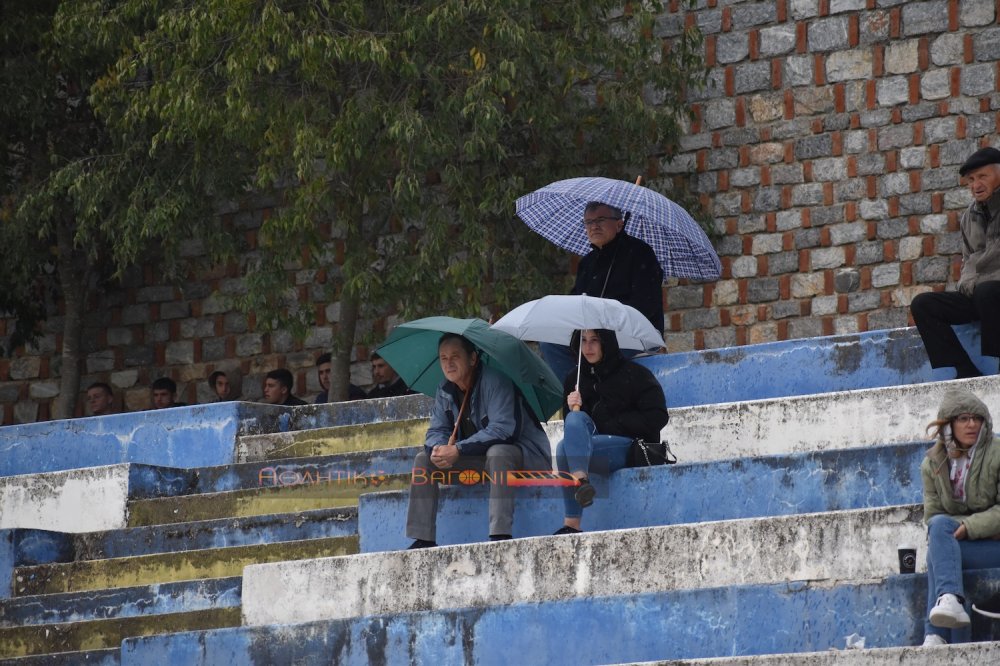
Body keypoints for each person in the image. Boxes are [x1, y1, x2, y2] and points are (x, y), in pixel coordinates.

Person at [405, 333, 552, 548]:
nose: (449, 363)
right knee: (423, 460)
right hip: (480, 462)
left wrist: (458, 449)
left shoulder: (496, 382)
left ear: (473, 358)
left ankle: (499, 536)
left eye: (455, 356)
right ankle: (423, 538)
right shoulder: (444, 390)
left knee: (498, 452)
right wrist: (437, 448)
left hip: (526, 457)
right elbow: (436, 430)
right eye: (443, 358)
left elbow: (503, 431)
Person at [552, 329, 669, 535]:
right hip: (594, 447)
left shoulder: (635, 374)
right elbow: (574, 432)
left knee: (565, 450)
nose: (588, 347)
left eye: (594, 341)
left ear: (606, 343)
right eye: (583, 341)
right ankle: (573, 518)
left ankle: (578, 488)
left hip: (630, 446)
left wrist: (614, 423)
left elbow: (658, 416)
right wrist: (571, 408)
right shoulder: (575, 379)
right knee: (567, 437)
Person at [540, 202, 664, 381]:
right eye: (588, 222)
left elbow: (646, 305)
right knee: (551, 344)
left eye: (601, 220)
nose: (594, 226)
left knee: (601, 347)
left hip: (634, 334)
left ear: (619, 224)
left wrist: (608, 318)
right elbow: (576, 305)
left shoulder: (640, 253)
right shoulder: (587, 263)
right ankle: (578, 392)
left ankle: (600, 392)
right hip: (593, 335)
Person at [919, 388, 1000, 646]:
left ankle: (935, 634)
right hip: (959, 542)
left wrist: (968, 526)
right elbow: (933, 516)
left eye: (976, 418)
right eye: (963, 418)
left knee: (939, 548)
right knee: (939, 534)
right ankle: (951, 609)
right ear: (949, 424)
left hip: (994, 545)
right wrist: (959, 529)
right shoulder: (933, 463)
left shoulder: (997, 452)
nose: (972, 424)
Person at [911, 147, 1000, 378]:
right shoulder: (969, 216)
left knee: (987, 291)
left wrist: (977, 282)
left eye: (983, 177)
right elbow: (968, 259)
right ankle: (965, 370)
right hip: (980, 293)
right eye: (971, 180)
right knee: (923, 304)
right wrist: (968, 285)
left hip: (993, 292)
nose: (976, 185)